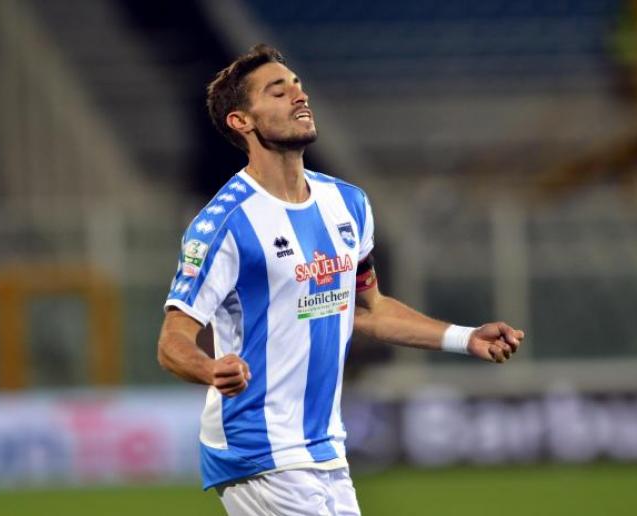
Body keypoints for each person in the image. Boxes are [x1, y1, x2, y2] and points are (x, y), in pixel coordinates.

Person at [157, 44, 525, 516]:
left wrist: (465, 337)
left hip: (324, 446)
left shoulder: (346, 204)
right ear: (241, 121)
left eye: (297, 86)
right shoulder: (224, 223)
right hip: (259, 446)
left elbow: (369, 309)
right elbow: (172, 341)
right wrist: (211, 370)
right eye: (278, 92)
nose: (299, 96)